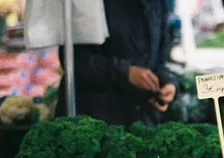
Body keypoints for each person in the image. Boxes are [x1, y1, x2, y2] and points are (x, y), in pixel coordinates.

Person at [56, 0, 177, 128]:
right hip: (94, 118)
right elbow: (73, 59)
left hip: (140, 119)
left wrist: (167, 83)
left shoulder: (158, 4)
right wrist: (125, 72)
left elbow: (159, 60)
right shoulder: (91, 3)